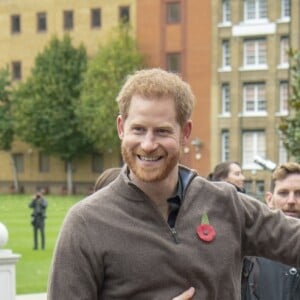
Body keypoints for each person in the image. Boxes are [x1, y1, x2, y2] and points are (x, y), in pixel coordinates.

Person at [48, 68, 300, 300]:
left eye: (162, 131)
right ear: (121, 128)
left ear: (185, 132)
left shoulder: (226, 203)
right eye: (138, 129)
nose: (148, 144)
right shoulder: (86, 223)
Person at [242, 162, 300, 299]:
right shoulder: (248, 252)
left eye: (299, 193)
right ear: (269, 199)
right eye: (283, 193)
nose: (291, 201)